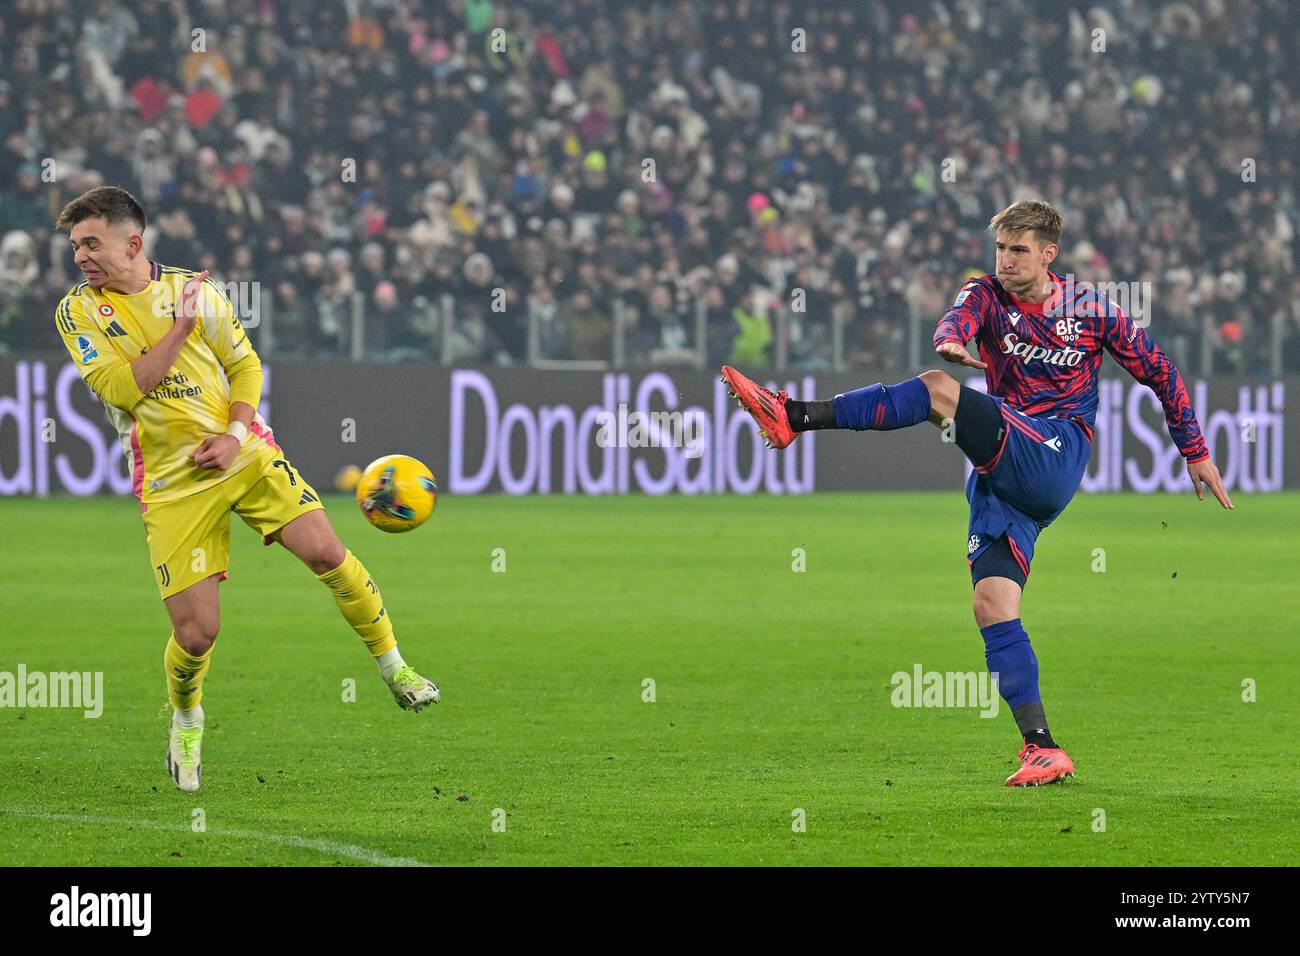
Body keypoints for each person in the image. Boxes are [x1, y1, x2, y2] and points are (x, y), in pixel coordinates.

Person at [722, 199, 1233, 787]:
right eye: (1001, 248)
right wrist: (952, 341)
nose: (1007, 260)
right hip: (1003, 477)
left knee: (938, 391)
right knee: (992, 605)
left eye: (1019, 250)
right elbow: (953, 322)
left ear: (1049, 253)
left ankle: (792, 417)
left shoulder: (1093, 310)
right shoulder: (985, 294)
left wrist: (1194, 449)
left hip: (1055, 452)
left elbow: (1160, 372)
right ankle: (1043, 747)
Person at [52, 186, 440, 793]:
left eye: (90, 243)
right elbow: (125, 388)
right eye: (75, 246)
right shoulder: (77, 312)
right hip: (172, 479)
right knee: (197, 632)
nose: (80, 257)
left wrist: (235, 433)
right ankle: (186, 717)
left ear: (133, 242)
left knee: (325, 552)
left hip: (244, 452)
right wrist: (180, 332)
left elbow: (246, 367)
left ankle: (397, 668)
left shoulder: (196, 291)